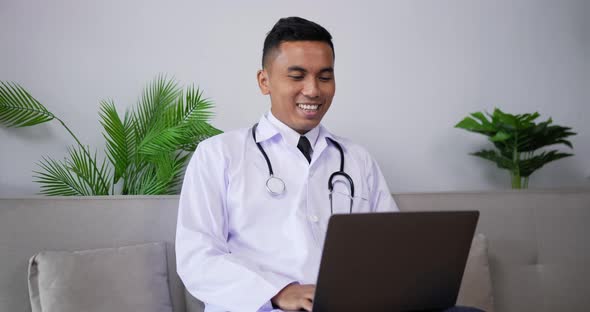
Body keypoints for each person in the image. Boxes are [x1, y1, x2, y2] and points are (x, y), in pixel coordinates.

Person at [176, 17, 482, 312]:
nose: (313, 90)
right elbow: (198, 259)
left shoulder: (356, 158)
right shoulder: (218, 154)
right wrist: (279, 292)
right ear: (264, 81)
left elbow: (390, 249)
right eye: (297, 76)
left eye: (325, 76)